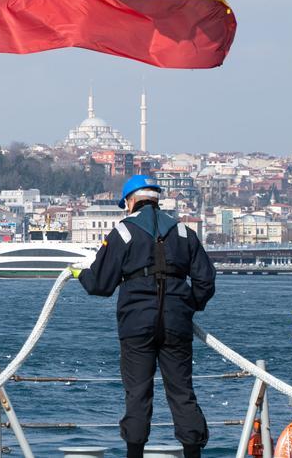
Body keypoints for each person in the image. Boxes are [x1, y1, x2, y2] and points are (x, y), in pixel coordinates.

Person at [73, 175, 216, 458]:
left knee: (138, 393)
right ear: (156, 199)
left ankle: (134, 454)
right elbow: (205, 282)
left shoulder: (123, 232)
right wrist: (190, 306)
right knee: (182, 392)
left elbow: (100, 284)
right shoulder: (185, 232)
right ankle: (193, 454)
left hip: (136, 322)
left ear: (130, 202)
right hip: (177, 321)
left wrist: (80, 274)